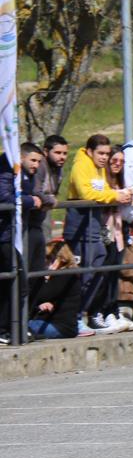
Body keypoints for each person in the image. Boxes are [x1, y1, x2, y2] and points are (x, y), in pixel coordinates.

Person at [65, 134, 133, 334]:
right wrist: (115, 195)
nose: (105, 157)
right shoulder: (81, 165)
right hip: (80, 223)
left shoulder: (98, 169)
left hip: (94, 225)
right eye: (101, 153)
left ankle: (83, 314)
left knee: (99, 264)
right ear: (89, 151)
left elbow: (102, 190)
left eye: (106, 153)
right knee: (84, 271)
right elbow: (86, 193)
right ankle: (76, 317)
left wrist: (115, 194)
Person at [0, 147, 42, 344]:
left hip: (11, 235)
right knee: (17, 283)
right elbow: (5, 197)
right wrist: (30, 200)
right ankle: (6, 328)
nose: (36, 165)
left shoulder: (24, 173)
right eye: (33, 160)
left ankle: (13, 327)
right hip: (5, 236)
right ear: (22, 157)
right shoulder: (8, 169)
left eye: (39, 162)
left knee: (17, 283)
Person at [27, 241, 84, 340]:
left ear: (61, 259)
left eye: (49, 258)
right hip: (59, 325)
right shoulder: (66, 274)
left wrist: (45, 277)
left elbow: (40, 295)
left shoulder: (65, 275)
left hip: (61, 328)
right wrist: (40, 305)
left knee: (21, 326)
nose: (45, 262)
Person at [33, 135, 68, 244]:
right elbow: (35, 191)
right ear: (46, 152)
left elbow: (53, 193)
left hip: (43, 213)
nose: (62, 157)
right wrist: (50, 200)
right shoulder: (39, 166)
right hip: (30, 216)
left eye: (65, 153)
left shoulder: (59, 170)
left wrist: (50, 199)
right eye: (57, 153)